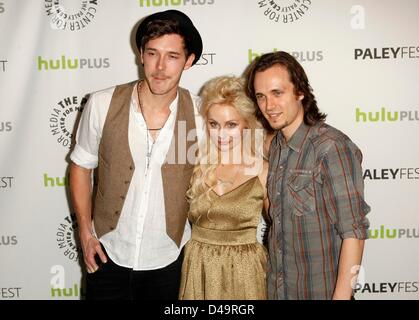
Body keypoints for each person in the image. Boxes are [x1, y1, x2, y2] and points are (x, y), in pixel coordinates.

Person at [69, 10, 203, 300]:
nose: (160, 67)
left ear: (189, 61)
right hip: (107, 253)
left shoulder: (201, 114)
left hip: (170, 260)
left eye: (173, 56)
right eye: (152, 53)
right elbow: (81, 167)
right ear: (141, 54)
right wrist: (85, 233)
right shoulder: (103, 103)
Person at [245, 51, 371, 300]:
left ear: (300, 92)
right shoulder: (278, 146)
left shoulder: (331, 147)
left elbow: (354, 233)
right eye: (261, 96)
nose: (269, 106)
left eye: (277, 93)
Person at [179, 76, 270, 300]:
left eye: (231, 125)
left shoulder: (262, 169)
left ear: (246, 124)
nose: (221, 134)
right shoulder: (195, 166)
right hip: (198, 267)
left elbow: (281, 227)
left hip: (246, 271)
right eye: (214, 124)